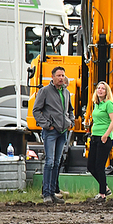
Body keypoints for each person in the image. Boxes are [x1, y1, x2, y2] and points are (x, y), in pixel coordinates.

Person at [32, 66, 74, 205]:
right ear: (53, 77)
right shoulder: (44, 91)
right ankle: (46, 194)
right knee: (49, 162)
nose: (61, 78)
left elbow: (70, 109)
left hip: (63, 132)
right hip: (50, 131)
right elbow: (36, 111)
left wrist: (70, 122)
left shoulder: (66, 92)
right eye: (59, 75)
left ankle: (53, 192)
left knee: (57, 162)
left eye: (63, 75)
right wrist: (47, 125)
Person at [87, 81, 113, 202]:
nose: (100, 90)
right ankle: (105, 187)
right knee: (90, 166)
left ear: (106, 92)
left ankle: (102, 194)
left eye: (103, 89)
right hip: (94, 137)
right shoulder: (96, 105)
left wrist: (105, 135)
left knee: (99, 166)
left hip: (104, 138)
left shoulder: (109, 104)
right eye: (98, 88)